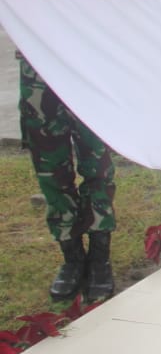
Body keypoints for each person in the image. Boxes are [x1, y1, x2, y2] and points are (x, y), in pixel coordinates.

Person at [17, 50, 116, 303]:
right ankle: (72, 259)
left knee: (98, 166)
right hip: (38, 64)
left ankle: (99, 259)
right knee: (51, 170)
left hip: (88, 61)